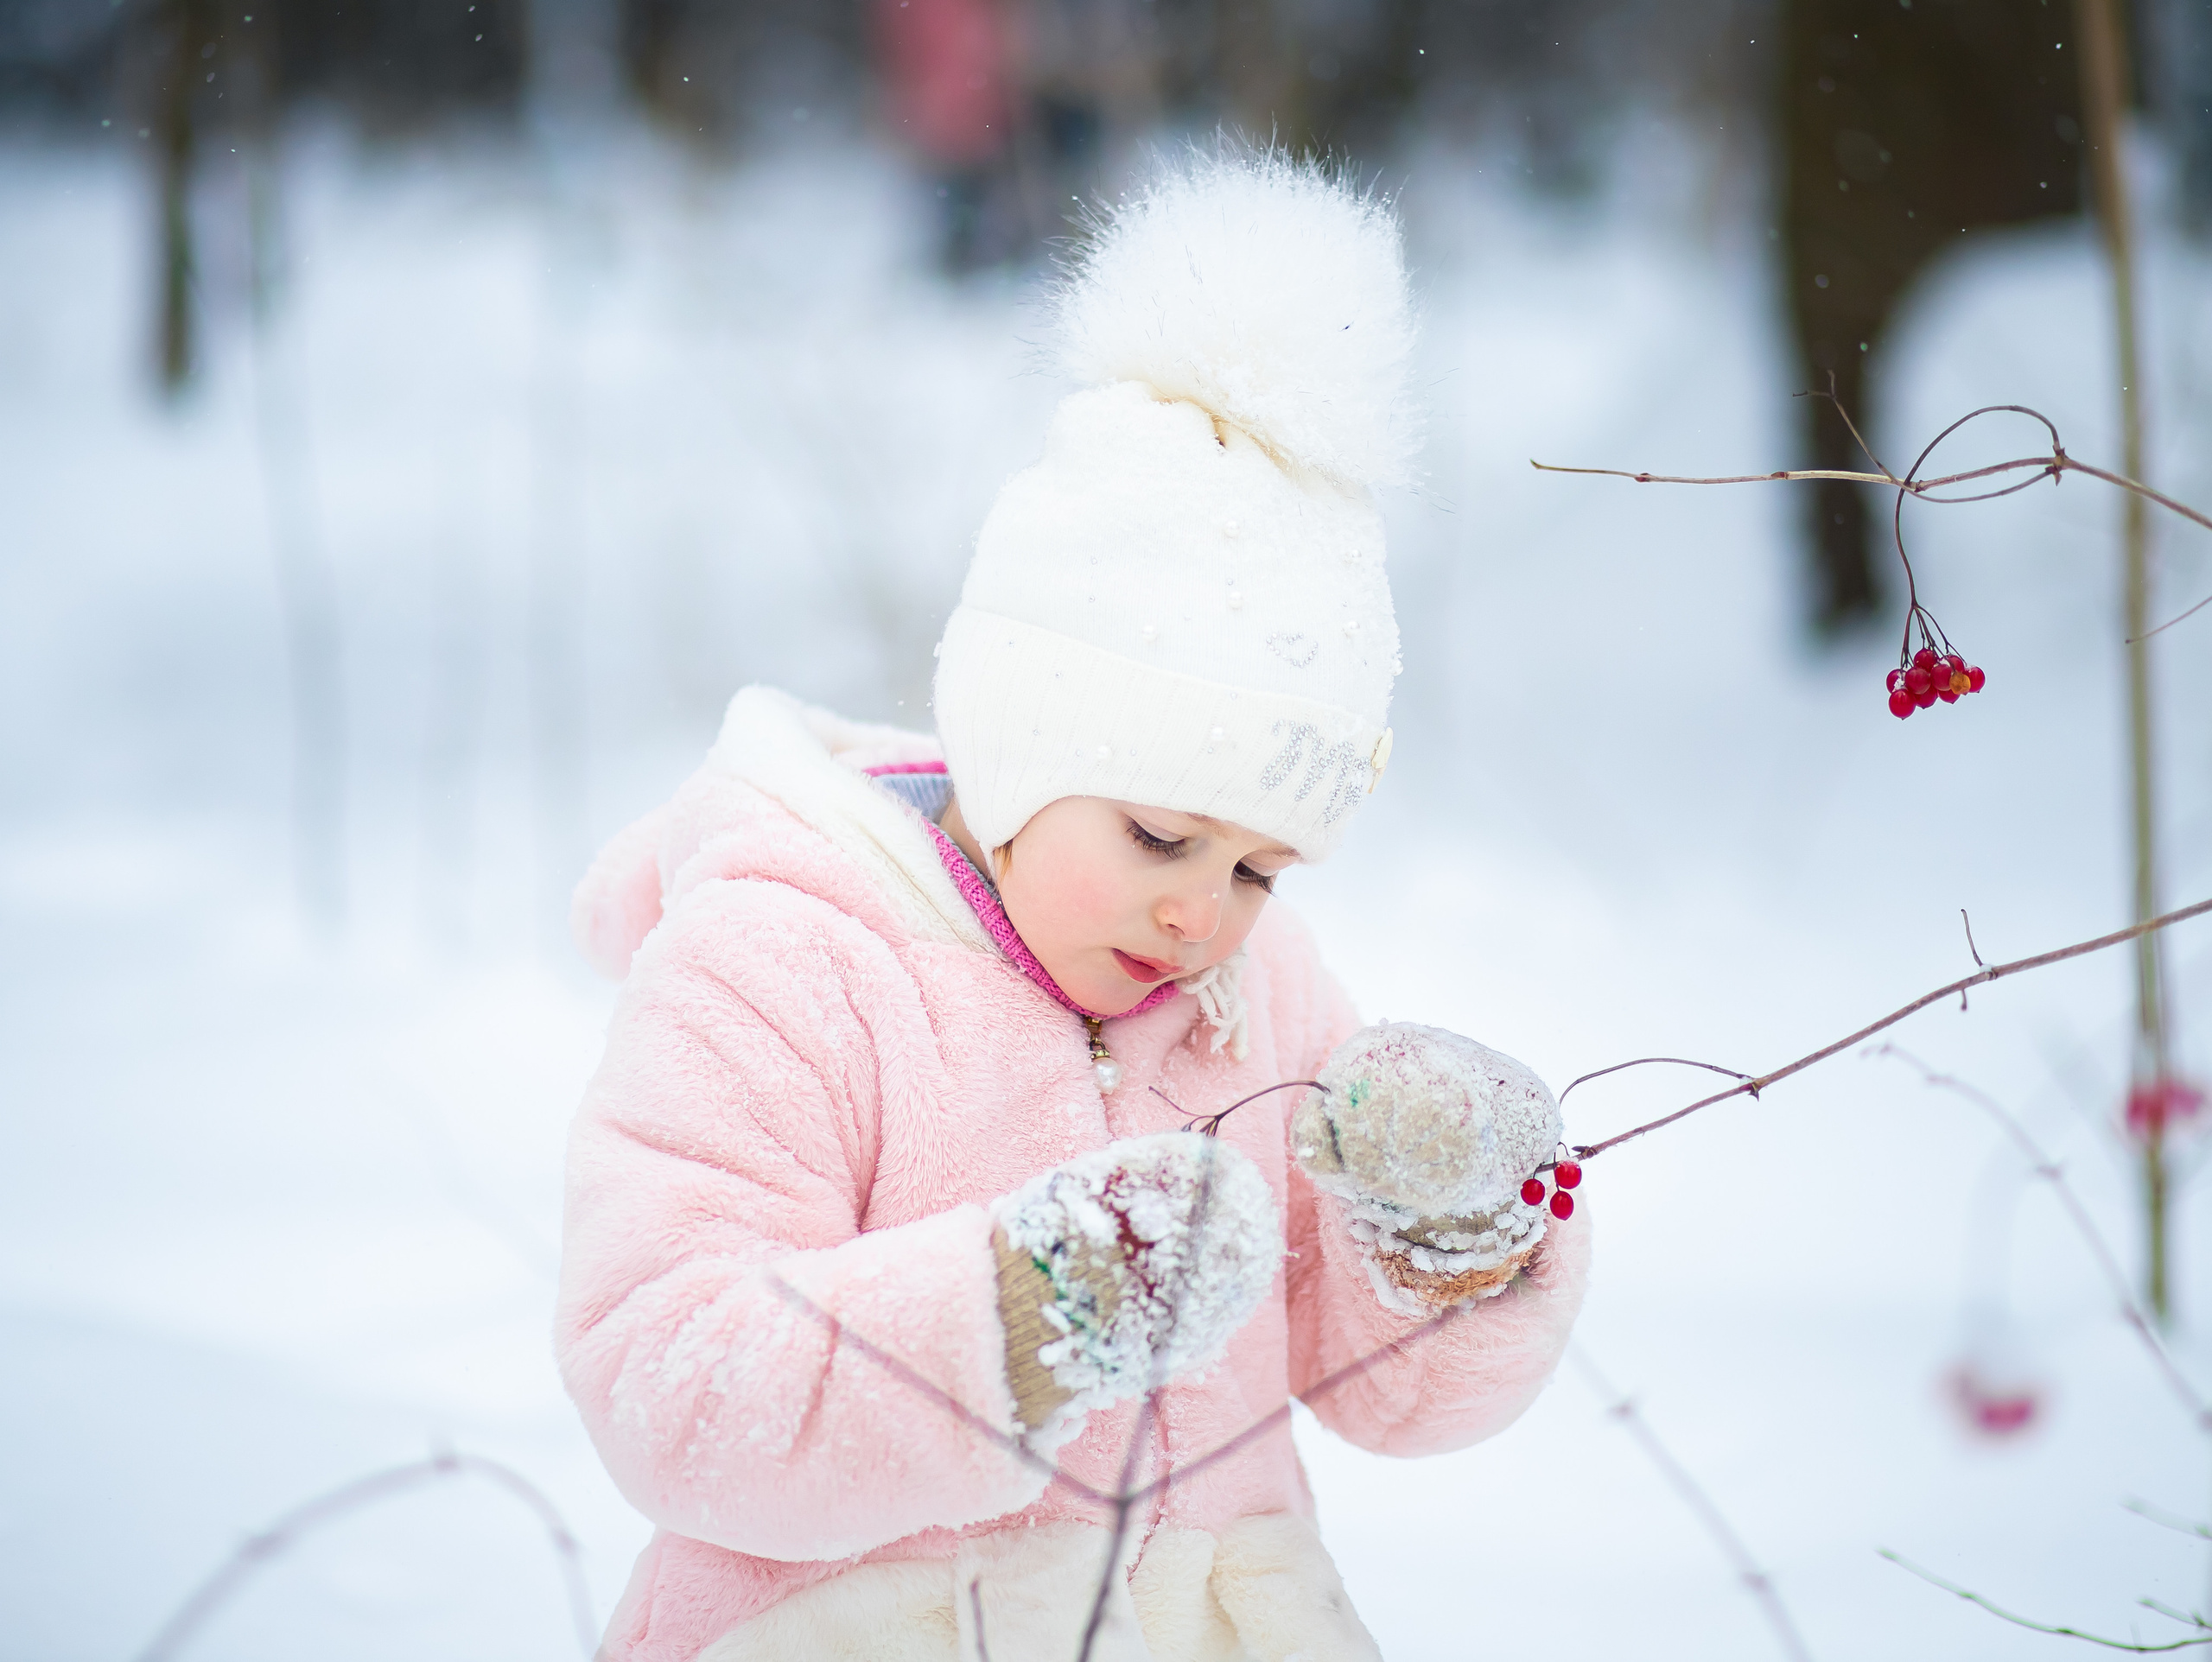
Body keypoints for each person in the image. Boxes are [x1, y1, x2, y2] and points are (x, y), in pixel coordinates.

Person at [556, 148, 1591, 1662]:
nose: (1205, 917)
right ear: (1022, 744)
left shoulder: (1260, 994)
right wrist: (1016, 1323)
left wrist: (1442, 1248)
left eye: (1255, 868)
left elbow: (1381, 1386)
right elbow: (668, 1377)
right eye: (1162, 834)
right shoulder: (785, 960)